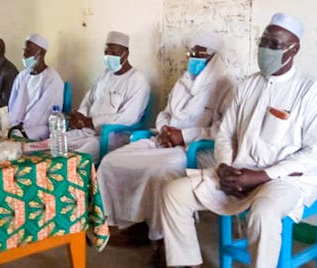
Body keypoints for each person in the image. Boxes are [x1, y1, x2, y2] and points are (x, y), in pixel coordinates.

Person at [160, 13, 317, 267]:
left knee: (263, 214)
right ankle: (187, 263)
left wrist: (260, 176)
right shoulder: (247, 85)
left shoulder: (313, 91)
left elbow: (315, 153)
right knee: (174, 193)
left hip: (285, 180)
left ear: (294, 49)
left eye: (274, 45)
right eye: (263, 42)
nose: (265, 49)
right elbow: (225, 133)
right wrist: (224, 167)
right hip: (237, 172)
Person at [97, 33, 233, 260]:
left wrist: (185, 136)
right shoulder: (183, 81)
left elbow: (223, 130)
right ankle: (132, 224)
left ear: (214, 58)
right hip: (164, 141)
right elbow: (165, 113)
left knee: (160, 173)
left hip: (198, 150)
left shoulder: (226, 86)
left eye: (201, 54)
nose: (194, 58)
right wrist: (165, 130)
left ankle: (162, 240)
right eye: (192, 53)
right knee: (112, 161)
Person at [66, 31, 150, 163]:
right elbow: (88, 101)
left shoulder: (137, 80)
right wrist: (79, 117)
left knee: (75, 158)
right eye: (107, 52)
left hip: (113, 135)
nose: (109, 56)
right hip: (88, 130)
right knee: (53, 145)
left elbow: (128, 118)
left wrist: (89, 122)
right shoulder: (105, 75)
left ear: (126, 54)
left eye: (114, 53)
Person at [2, 33, 64, 140]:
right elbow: (13, 104)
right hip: (17, 125)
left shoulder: (52, 78)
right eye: (24, 51)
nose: (25, 55)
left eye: (29, 51)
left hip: (38, 126)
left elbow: (43, 111)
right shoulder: (22, 76)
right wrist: (13, 122)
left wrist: (22, 125)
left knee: (15, 136)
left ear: (41, 53)